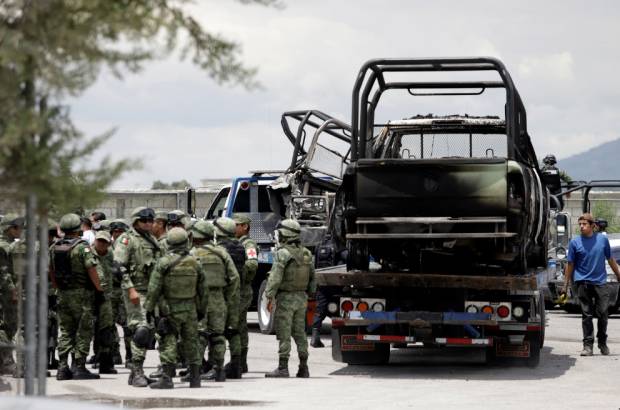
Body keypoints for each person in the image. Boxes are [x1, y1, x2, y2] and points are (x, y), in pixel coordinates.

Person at [145, 227, 208, 389]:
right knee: (191, 342)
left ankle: (166, 378)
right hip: (190, 308)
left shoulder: (164, 263)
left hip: (169, 310)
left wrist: (150, 309)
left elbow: (154, 289)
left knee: (168, 341)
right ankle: (195, 378)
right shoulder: (195, 262)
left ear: (169, 243)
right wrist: (201, 310)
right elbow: (203, 290)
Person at [50, 213, 104, 380]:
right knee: (83, 330)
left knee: (65, 331)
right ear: (77, 228)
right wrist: (99, 289)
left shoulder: (54, 247)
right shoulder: (83, 247)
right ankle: (79, 366)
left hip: (63, 294)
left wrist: (59, 287)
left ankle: (63, 367)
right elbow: (91, 269)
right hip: (82, 295)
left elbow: (51, 271)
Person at [114, 207, 161, 387]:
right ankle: (138, 372)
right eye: (144, 221)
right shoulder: (127, 240)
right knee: (141, 330)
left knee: (149, 331)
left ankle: (134, 373)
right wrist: (131, 289)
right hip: (136, 291)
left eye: (151, 220)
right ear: (135, 222)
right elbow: (118, 267)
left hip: (151, 292)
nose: (148, 223)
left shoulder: (152, 240)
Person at [562, 213, 620, 356]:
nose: (581, 226)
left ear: (592, 226)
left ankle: (602, 342)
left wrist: (619, 275)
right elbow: (570, 265)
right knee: (586, 315)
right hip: (582, 282)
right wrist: (565, 284)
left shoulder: (602, 240)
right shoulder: (575, 242)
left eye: (584, 224)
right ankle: (588, 346)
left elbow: (611, 259)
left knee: (603, 314)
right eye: (580, 224)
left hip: (600, 282)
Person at [188, 220, 239, 382]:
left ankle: (195, 370)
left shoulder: (192, 254)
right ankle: (219, 370)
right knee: (218, 335)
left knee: (199, 335)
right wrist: (227, 297)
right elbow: (234, 278)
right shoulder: (222, 253)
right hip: (219, 299)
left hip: (199, 299)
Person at [265, 219, 316, 378]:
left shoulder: (282, 253)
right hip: (302, 298)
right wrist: (311, 294)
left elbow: (275, 278)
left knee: (284, 332)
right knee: (300, 333)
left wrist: (268, 295)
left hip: (286, 298)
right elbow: (313, 279)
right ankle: (303, 367)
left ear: (285, 234)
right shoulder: (307, 253)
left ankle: (283, 367)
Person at [213, 217, 246, 378]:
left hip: (221, 294)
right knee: (234, 331)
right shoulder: (240, 247)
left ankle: (215, 366)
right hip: (237, 293)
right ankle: (236, 365)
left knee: (217, 331)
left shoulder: (219, 249)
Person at [232, 214, 258, 372]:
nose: (233, 228)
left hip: (242, 291)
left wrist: (241, 278)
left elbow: (252, 264)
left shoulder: (248, 244)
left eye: (236, 225)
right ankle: (241, 362)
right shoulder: (237, 243)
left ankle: (241, 361)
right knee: (239, 325)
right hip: (237, 290)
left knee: (239, 326)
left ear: (245, 227)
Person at [91, 230, 118, 374]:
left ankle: (105, 362)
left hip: (106, 297)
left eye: (104, 242)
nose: (101, 244)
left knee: (106, 329)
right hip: (89, 296)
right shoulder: (87, 253)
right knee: (88, 329)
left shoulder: (110, 254)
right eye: (99, 241)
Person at [0, 215, 23, 375]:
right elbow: (4, 273)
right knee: (7, 325)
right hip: (5, 293)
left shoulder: (8, 245)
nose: (20, 230)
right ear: (9, 228)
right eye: (18, 227)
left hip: (7, 291)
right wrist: (13, 290)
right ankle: (6, 362)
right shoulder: (4, 247)